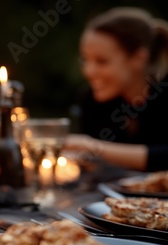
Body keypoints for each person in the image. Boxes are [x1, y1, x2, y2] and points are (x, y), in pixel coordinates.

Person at [65, 7, 168, 172]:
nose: (88, 71)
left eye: (102, 61)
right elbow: (92, 169)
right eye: (85, 60)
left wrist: (92, 147)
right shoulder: (91, 100)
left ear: (138, 59)